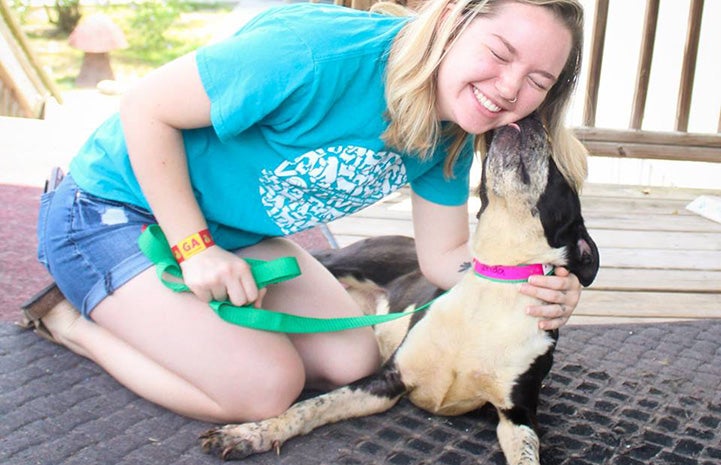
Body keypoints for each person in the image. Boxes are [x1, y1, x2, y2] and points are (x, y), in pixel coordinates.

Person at [28, 0, 588, 423]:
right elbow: (145, 106)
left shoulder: (454, 131)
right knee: (264, 389)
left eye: (538, 81)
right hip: (110, 210)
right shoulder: (314, 53)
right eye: (499, 53)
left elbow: (444, 257)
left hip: (236, 232)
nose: (510, 87)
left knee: (350, 359)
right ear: (451, 19)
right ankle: (72, 323)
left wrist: (526, 283)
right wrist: (195, 248)